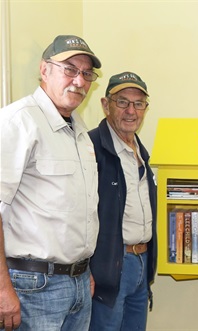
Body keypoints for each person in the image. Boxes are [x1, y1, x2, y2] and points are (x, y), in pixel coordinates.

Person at [0, 35, 101, 331]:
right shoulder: (18, 122)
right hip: (32, 287)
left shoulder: (79, 129)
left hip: (78, 283)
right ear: (45, 70)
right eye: (69, 69)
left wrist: (83, 269)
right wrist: (3, 289)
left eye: (86, 74)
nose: (79, 81)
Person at [88, 71, 157, 331]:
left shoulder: (140, 150)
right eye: (122, 102)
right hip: (111, 266)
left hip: (141, 264)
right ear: (106, 105)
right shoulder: (91, 146)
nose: (131, 111)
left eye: (139, 104)